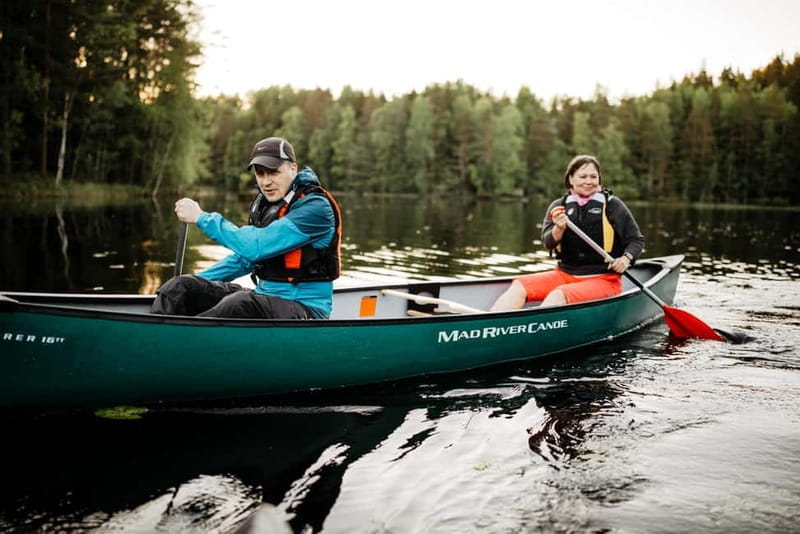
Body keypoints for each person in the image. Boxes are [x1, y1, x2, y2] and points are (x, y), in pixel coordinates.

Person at [151, 136, 342, 319]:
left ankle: (180, 341)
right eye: (260, 173)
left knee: (239, 304)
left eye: (274, 172)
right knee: (180, 286)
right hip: (264, 298)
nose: (266, 182)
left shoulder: (316, 208)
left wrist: (202, 218)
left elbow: (255, 247)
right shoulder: (268, 205)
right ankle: (157, 335)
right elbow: (244, 260)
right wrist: (197, 283)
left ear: (293, 168)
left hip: (306, 310)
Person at [491, 154, 644, 310]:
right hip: (564, 275)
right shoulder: (559, 206)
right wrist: (559, 228)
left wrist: (625, 259)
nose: (588, 181)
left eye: (593, 176)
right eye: (583, 176)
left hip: (604, 279)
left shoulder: (613, 205)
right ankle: (491, 328)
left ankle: (532, 331)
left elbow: (636, 240)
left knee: (559, 294)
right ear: (571, 179)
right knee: (520, 285)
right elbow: (548, 243)